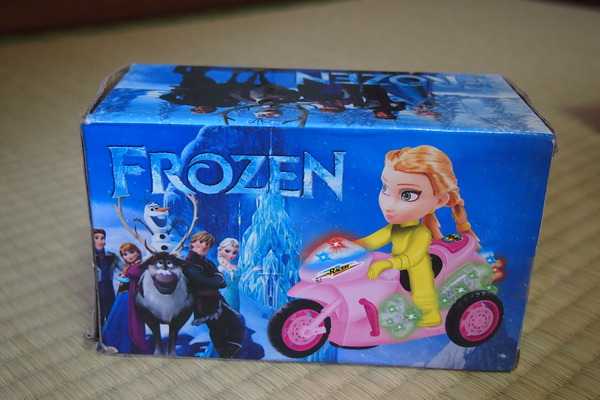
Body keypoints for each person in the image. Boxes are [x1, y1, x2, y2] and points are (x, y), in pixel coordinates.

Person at [355, 145, 477, 327]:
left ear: (439, 201)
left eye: (407, 195)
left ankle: (429, 313)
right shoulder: (395, 228)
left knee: (419, 277)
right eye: (385, 188)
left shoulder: (420, 232)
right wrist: (347, 246)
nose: (389, 205)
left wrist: (389, 263)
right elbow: (370, 241)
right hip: (397, 263)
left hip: (414, 266)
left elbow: (412, 257)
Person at [183, 231, 246, 358]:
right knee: (219, 329)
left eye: (208, 244)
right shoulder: (190, 264)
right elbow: (205, 281)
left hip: (217, 300)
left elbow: (221, 283)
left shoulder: (207, 263)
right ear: (192, 244)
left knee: (236, 324)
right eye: (201, 242)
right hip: (205, 303)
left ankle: (226, 354)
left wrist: (215, 279)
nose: (204, 246)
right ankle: (222, 354)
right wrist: (215, 279)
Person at [101, 242, 144, 353]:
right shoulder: (130, 266)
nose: (129, 256)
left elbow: (128, 279)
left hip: (128, 297)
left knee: (125, 320)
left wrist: (120, 277)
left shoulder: (137, 266)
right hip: (123, 296)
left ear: (138, 252)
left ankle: (125, 345)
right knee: (118, 319)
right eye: (125, 254)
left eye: (132, 252)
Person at [217, 238, 262, 312]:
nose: (231, 255)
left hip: (236, 297)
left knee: (235, 313)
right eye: (227, 251)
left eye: (234, 253)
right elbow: (217, 285)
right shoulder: (221, 268)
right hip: (226, 296)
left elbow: (243, 281)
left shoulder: (236, 267)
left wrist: (252, 271)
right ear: (220, 251)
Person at [93, 228, 122, 325]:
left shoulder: (112, 257)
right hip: (94, 290)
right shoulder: (88, 257)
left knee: (111, 316)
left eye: (102, 238)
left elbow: (125, 269)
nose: (100, 241)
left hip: (108, 289)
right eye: (96, 238)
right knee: (97, 317)